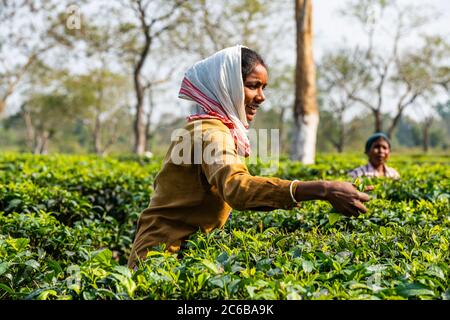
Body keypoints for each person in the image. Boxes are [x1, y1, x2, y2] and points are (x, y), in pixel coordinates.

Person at [127, 45, 372, 268]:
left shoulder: (213, 127)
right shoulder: (210, 132)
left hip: (177, 253)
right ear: (227, 85)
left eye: (263, 88)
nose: (261, 97)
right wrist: (324, 189)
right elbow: (237, 188)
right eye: (253, 85)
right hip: (159, 256)